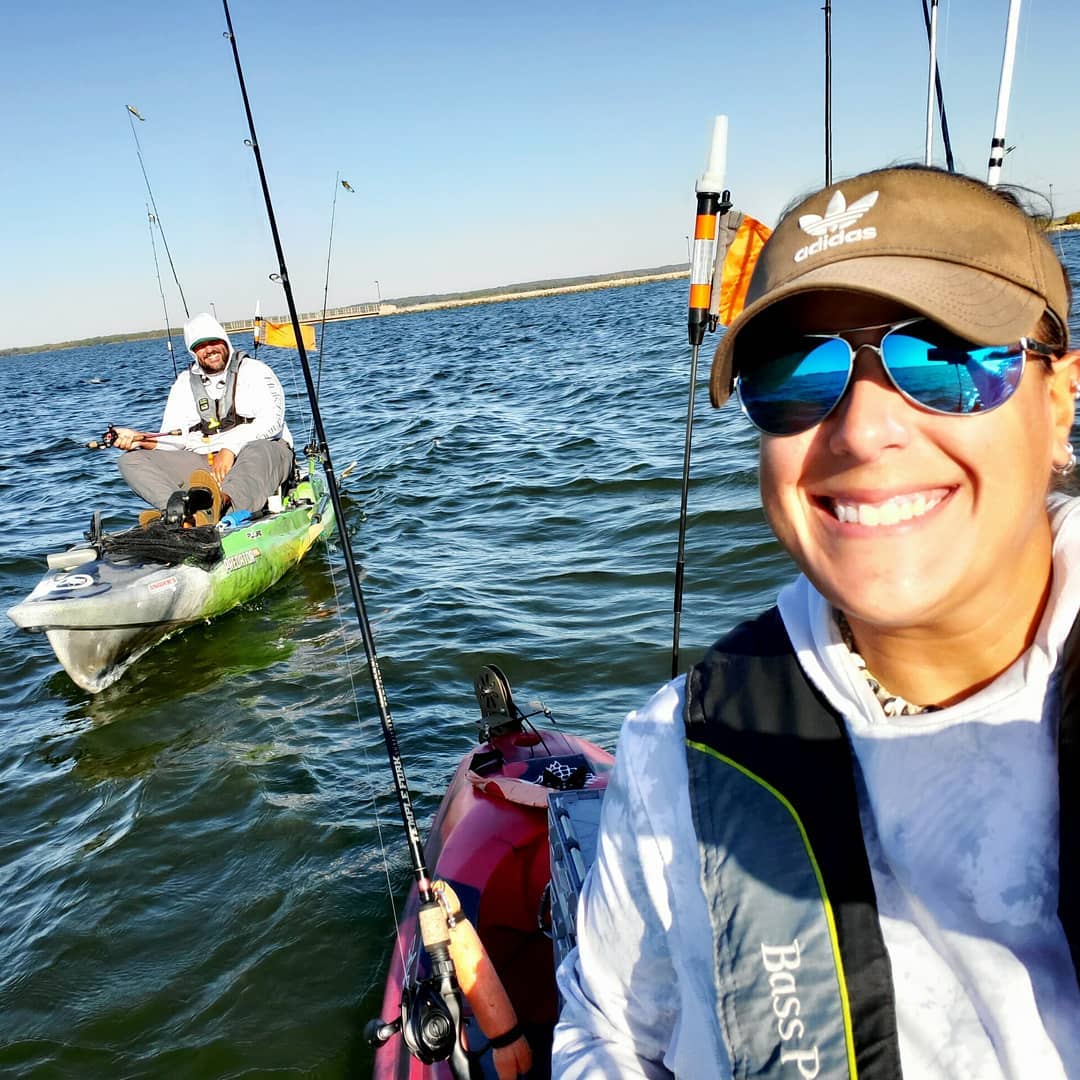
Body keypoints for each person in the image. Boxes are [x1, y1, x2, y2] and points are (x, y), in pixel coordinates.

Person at [552, 166, 1080, 1077]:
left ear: (1060, 399)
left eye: (946, 356)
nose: (862, 429)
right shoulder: (677, 751)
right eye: (797, 373)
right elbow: (607, 1035)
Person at [113, 312, 294, 527]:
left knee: (260, 450)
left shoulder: (256, 371)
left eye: (213, 342)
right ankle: (180, 512)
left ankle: (223, 507)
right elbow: (179, 439)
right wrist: (140, 439)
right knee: (130, 460)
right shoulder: (183, 383)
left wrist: (230, 449)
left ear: (224, 340)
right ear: (193, 351)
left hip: (261, 455)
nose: (209, 350)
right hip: (205, 464)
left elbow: (272, 423)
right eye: (201, 346)